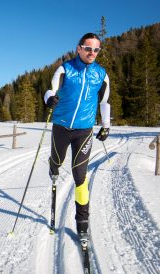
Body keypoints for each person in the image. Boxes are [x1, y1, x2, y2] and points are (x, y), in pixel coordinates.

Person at [43, 32, 110, 241]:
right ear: (79, 48)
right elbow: (50, 90)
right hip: (61, 127)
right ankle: (53, 166)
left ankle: (82, 223)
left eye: (96, 49)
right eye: (88, 48)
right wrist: (50, 99)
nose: (92, 52)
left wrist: (106, 125)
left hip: (84, 130)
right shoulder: (65, 69)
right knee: (58, 160)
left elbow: (105, 102)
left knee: (80, 176)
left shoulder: (101, 74)